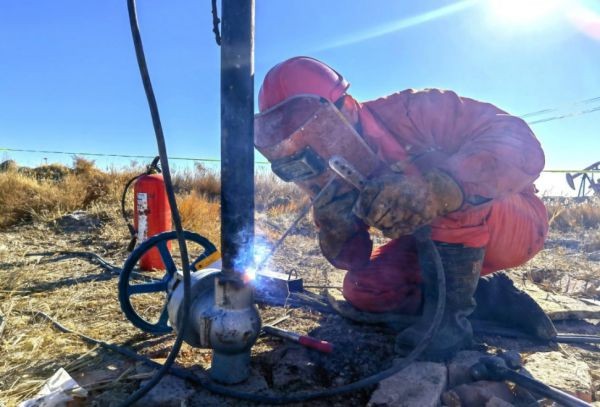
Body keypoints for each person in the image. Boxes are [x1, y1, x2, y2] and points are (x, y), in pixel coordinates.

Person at [255, 56, 552, 359]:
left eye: (309, 132)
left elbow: (523, 145)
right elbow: (353, 259)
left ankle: (448, 326)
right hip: (432, 243)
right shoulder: (331, 171)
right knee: (363, 288)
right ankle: (485, 295)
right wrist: (337, 229)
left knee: (443, 175)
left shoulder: (413, 112)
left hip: (512, 222)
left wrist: (441, 188)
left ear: (343, 108)